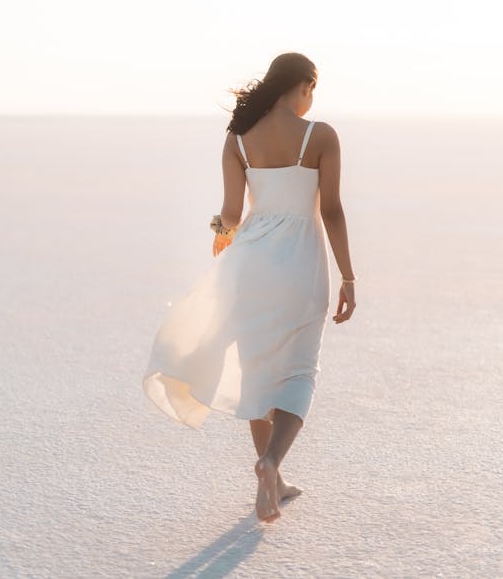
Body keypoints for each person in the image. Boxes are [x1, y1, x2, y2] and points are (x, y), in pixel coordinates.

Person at [142, 52, 357, 523]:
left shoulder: (238, 139)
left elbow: (230, 216)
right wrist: (349, 276)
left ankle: (272, 482)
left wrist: (220, 236)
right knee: (299, 371)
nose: (311, 99)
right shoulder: (321, 136)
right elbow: (333, 211)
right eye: (312, 90)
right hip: (302, 264)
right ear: (303, 86)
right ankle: (272, 464)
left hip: (251, 264)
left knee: (258, 369)